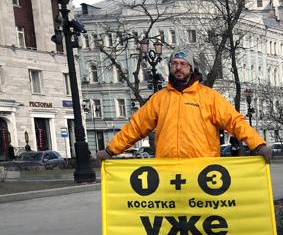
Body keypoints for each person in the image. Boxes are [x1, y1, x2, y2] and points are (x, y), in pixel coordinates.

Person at [97, 50, 272, 163]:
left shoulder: (209, 97)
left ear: (191, 68)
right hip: (168, 172)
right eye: (174, 63)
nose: (178, 67)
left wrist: (258, 145)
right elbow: (136, 127)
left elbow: (235, 121)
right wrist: (110, 150)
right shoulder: (159, 99)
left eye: (183, 64)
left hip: (203, 171)